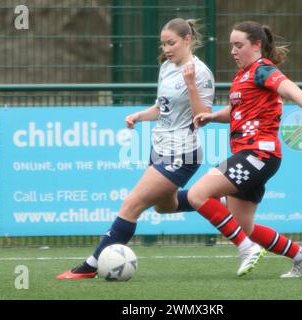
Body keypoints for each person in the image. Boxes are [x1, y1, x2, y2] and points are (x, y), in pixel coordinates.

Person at [57, 18, 262, 280]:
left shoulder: (200, 73)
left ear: (187, 40)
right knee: (164, 207)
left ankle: (92, 264)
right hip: (159, 149)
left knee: (132, 204)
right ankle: (213, 200)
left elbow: (203, 117)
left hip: (182, 153)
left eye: (171, 43)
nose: (166, 48)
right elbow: (161, 108)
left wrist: (190, 85)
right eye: (163, 43)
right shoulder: (166, 67)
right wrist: (140, 116)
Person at [180, 21, 302, 278]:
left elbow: (290, 88)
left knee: (198, 195)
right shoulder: (244, 75)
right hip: (254, 156)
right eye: (231, 45)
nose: (233, 50)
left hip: (257, 155)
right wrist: (212, 117)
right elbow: (237, 111)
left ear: (256, 45)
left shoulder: (263, 70)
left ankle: (245, 249)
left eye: (238, 45)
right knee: (245, 227)